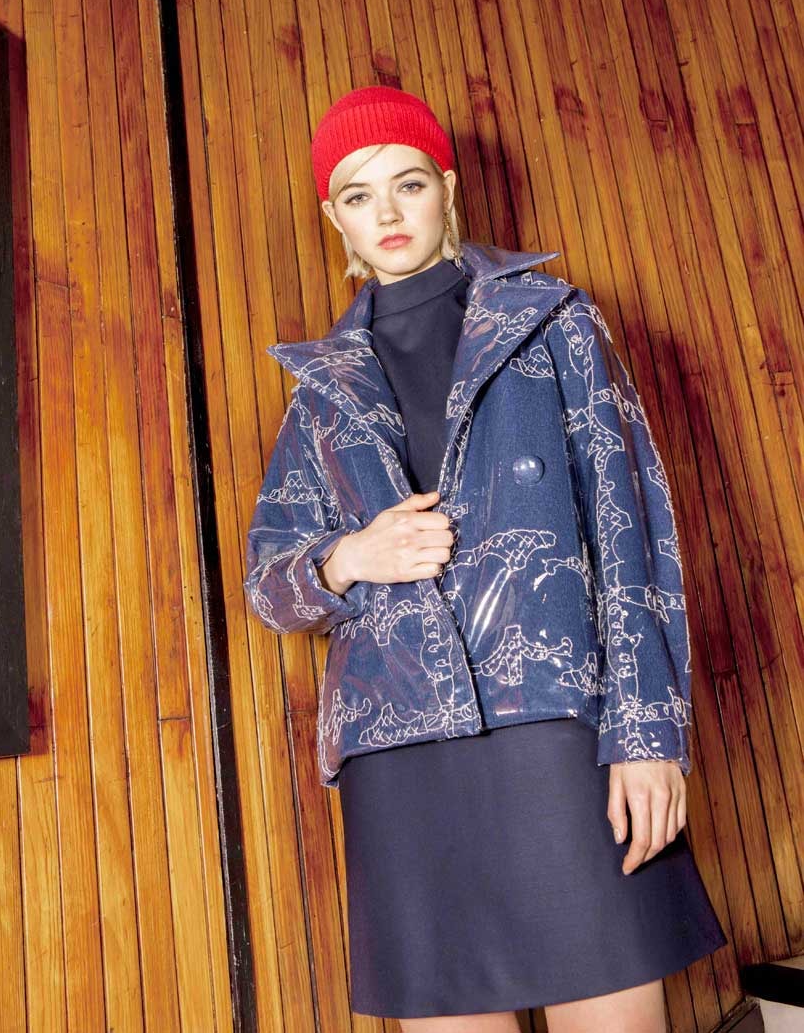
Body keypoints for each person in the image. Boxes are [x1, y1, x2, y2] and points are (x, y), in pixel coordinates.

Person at [244, 86, 728, 1033]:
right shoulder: (321, 387)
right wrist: (350, 555)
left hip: (557, 724)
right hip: (400, 750)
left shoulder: (553, 323)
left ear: (448, 188)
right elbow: (271, 584)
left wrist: (648, 735)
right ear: (334, 216)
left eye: (409, 182)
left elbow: (631, 532)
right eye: (358, 195)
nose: (387, 212)